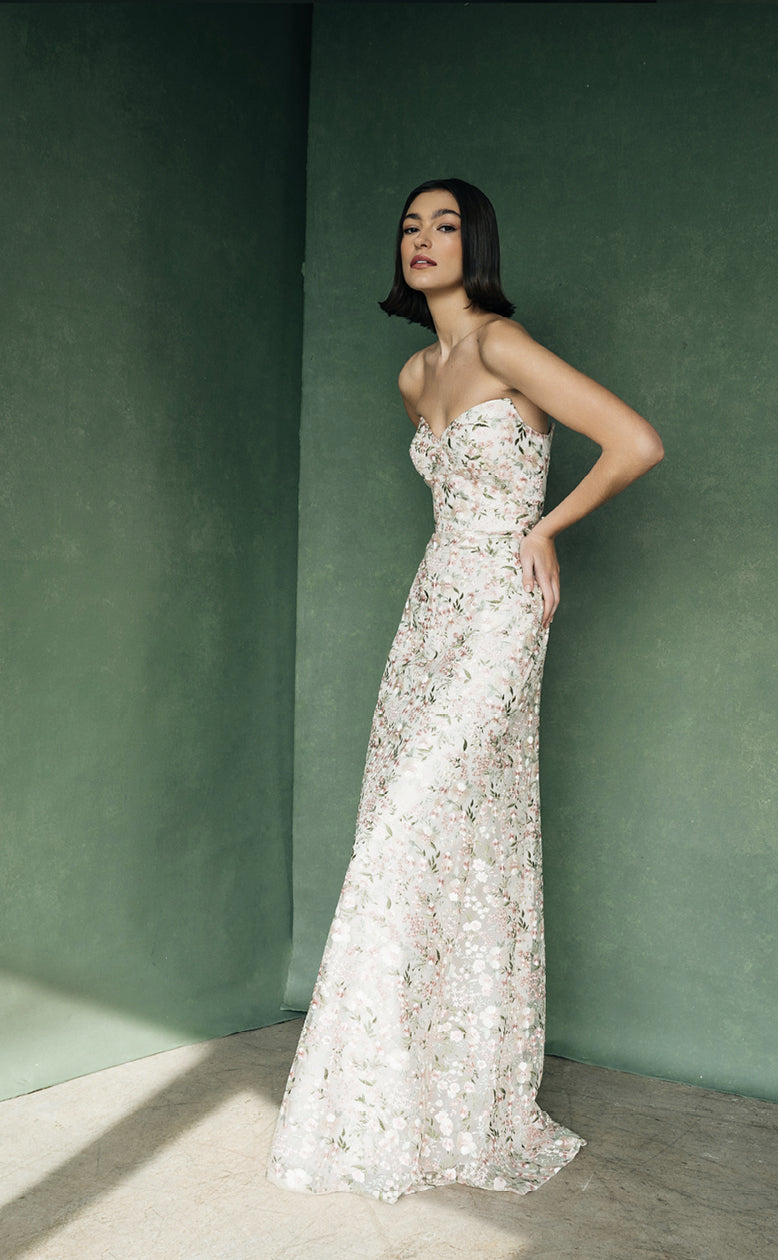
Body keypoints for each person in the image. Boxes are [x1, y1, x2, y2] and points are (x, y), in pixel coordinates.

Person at [269, 178, 664, 1202]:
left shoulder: (498, 345)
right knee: (432, 838)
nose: (424, 239)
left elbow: (635, 443)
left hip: (498, 612)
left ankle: (397, 1098)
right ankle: (413, 1094)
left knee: (412, 829)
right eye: (409, 226)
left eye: (445, 226)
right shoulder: (415, 373)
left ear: (475, 244)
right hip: (427, 617)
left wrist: (542, 529)